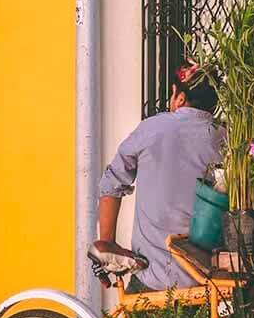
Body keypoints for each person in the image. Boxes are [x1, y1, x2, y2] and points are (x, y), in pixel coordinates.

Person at [93, 66, 222, 293]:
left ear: (180, 97)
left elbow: (112, 182)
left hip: (150, 277)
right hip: (202, 280)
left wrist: (107, 243)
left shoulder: (151, 129)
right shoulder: (225, 139)